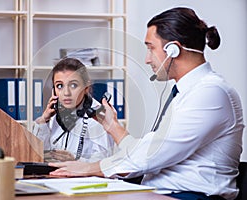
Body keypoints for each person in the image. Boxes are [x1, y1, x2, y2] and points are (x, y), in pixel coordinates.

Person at [49, 7, 244, 200]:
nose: (147, 59)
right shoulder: (189, 92)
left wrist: (89, 168)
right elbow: (149, 151)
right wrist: (112, 126)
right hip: (164, 193)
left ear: (173, 49)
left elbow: (151, 156)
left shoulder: (210, 93)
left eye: (151, 48)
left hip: (188, 196)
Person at [32, 57, 114, 162]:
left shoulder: (99, 116)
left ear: (86, 88)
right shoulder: (55, 116)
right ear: (54, 90)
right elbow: (37, 155)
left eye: (73, 85)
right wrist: (43, 121)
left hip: (85, 178)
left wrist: (75, 160)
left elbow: (103, 162)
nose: (66, 93)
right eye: (59, 86)